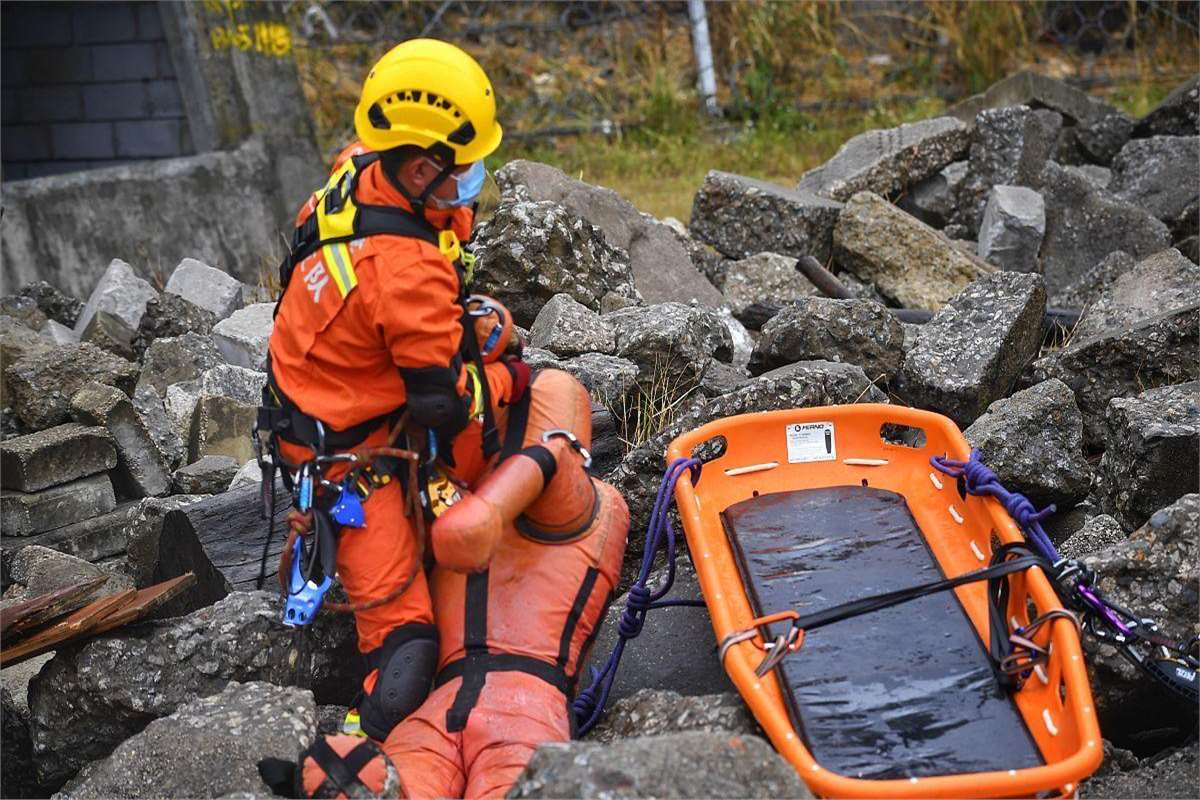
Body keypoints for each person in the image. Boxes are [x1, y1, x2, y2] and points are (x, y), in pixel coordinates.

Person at [258, 38, 528, 742]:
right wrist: (510, 376)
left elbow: (429, 244)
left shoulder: (358, 168)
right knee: (409, 654)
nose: (472, 180)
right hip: (344, 458)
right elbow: (443, 402)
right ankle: (354, 739)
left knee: (490, 332)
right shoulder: (406, 272)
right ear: (419, 166)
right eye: (462, 168)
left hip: (333, 387)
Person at [382, 367, 629, 799]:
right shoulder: (448, 497)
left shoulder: (584, 498)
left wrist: (481, 507)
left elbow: (551, 464)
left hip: (525, 713)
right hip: (436, 709)